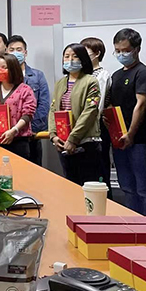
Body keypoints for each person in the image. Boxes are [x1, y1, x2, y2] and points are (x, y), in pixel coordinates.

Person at [106, 29, 146, 216]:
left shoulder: (143, 73)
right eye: (118, 51)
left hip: (139, 140)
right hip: (119, 140)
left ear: (137, 49)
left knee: (144, 188)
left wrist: (131, 133)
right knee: (126, 186)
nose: (122, 54)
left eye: (125, 50)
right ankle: (132, 225)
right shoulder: (116, 75)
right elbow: (111, 106)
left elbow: (141, 104)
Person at [48, 43, 102, 185]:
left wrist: (73, 139)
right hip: (63, 143)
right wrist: (53, 136)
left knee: (88, 184)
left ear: (83, 59)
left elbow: (89, 112)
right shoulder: (60, 83)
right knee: (70, 184)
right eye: (66, 56)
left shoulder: (91, 81)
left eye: (75, 56)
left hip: (85, 143)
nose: (70, 60)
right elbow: (53, 109)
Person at [0, 53, 37, 159]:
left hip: (17, 141)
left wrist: (14, 130)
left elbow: (28, 113)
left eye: (4, 67)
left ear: (13, 68)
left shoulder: (25, 89)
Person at [7, 35, 50, 166]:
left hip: (32, 134)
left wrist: (29, 128)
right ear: (7, 52)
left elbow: (44, 104)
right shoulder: (0, 75)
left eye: (19, 49)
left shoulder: (37, 75)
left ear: (25, 53)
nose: (15, 52)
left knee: (33, 172)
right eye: (12, 49)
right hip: (8, 136)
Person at [81, 37, 113, 194]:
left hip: (96, 129)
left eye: (85, 52)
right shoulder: (80, 75)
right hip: (80, 129)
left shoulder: (102, 75)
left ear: (97, 53)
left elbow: (96, 107)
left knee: (99, 173)